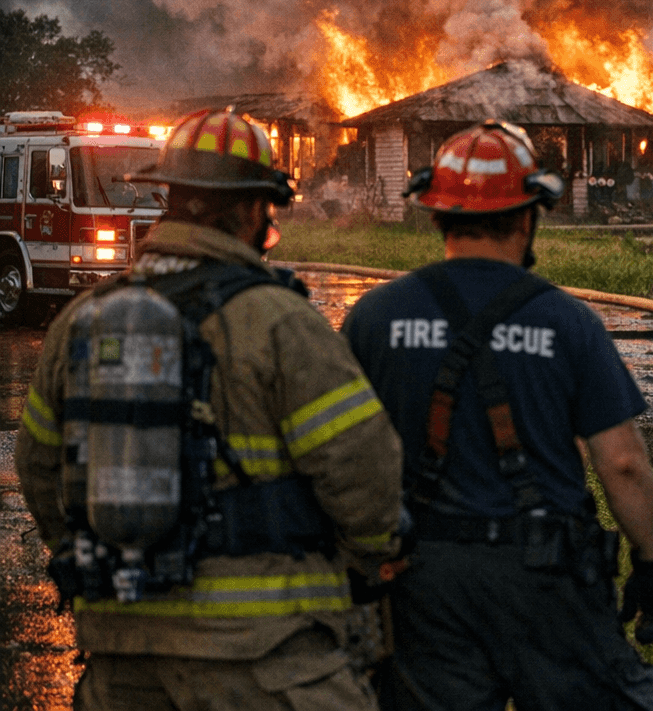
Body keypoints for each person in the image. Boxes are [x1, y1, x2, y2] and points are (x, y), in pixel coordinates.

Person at [17, 107, 404, 710]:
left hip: (121, 659)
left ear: (168, 198)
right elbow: (366, 477)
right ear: (254, 210)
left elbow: (38, 469)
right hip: (265, 659)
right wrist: (366, 559)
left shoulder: (81, 319)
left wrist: (102, 560)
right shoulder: (281, 322)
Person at [341, 120, 653, 711]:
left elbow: (340, 455)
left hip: (422, 581)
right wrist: (652, 565)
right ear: (527, 219)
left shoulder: (374, 317)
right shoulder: (568, 322)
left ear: (437, 217)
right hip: (546, 572)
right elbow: (622, 463)